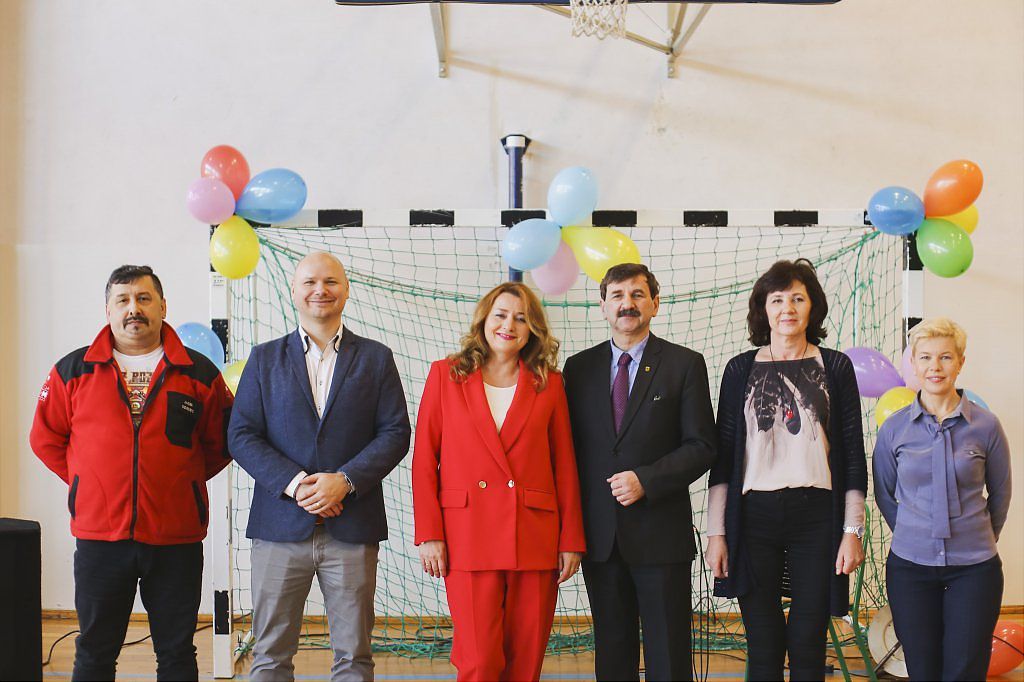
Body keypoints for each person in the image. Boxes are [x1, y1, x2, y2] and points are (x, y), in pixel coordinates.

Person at [30, 265, 233, 680]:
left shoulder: (198, 372)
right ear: (108, 310)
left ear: (163, 306)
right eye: (122, 300)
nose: (133, 309)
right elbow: (45, 439)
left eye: (143, 298)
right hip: (100, 538)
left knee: (177, 652)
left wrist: (182, 483)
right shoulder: (73, 371)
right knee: (94, 651)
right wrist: (89, 482)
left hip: (175, 537)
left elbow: (222, 444)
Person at [228, 252, 411, 682]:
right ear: (294, 290)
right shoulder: (263, 358)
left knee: (354, 656)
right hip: (279, 527)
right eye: (309, 281)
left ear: (346, 290)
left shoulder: (376, 358)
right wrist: (298, 485)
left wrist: (344, 482)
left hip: (353, 526)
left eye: (330, 281)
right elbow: (241, 435)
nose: (320, 290)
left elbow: (395, 433)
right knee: (269, 655)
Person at [412, 281, 585, 681]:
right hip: (466, 534)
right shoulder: (446, 375)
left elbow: (565, 466)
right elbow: (424, 461)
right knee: (479, 661)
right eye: (501, 315)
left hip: (535, 534)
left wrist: (571, 539)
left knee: (526, 661)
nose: (509, 326)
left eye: (521, 319)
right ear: (484, 320)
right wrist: (430, 534)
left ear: (533, 330)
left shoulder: (550, 383)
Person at [705, 258, 866, 681]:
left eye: (798, 298)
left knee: (808, 641)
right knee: (763, 642)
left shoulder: (836, 367)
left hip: (818, 518)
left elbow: (852, 454)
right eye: (777, 299)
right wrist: (716, 533)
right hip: (753, 519)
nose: (787, 308)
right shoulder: (739, 369)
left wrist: (852, 531)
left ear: (813, 307)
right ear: (764, 309)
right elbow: (724, 459)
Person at [563, 262, 716, 682]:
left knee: (669, 656)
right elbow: (568, 452)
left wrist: (646, 480)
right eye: (617, 295)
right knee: (613, 655)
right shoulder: (578, 369)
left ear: (655, 304)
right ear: (603, 306)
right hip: (601, 539)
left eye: (637, 294)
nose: (627, 304)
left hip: (661, 537)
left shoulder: (685, 364)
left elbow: (702, 446)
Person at [873, 318, 1011, 681]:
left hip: (974, 569)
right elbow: (884, 492)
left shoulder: (987, 426)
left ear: (961, 362)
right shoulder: (894, 429)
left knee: (965, 669)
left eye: (945, 357)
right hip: (910, 568)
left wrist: (978, 536)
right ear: (914, 363)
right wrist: (912, 531)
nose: (935, 366)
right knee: (922, 669)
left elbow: (1000, 493)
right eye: (926, 357)